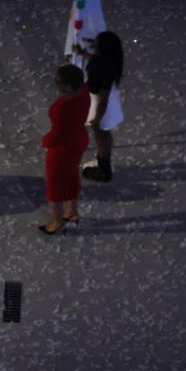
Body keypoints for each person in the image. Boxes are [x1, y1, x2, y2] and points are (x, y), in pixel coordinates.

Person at [40, 64, 91, 235]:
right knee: (71, 175)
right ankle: (71, 211)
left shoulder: (63, 108)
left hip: (62, 148)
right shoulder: (84, 91)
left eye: (58, 81)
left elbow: (57, 134)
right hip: (79, 139)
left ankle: (57, 221)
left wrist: (45, 141)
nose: (56, 83)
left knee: (55, 183)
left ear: (68, 86)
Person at [77, 31, 125, 182]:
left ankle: (104, 169)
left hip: (100, 104)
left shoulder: (102, 68)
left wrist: (97, 117)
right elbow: (96, 61)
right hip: (104, 102)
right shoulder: (107, 61)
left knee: (101, 132)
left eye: (96, 42)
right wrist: (84, 54)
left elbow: (102, 99)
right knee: (103, 132)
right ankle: (103, 162)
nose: (94, 43)